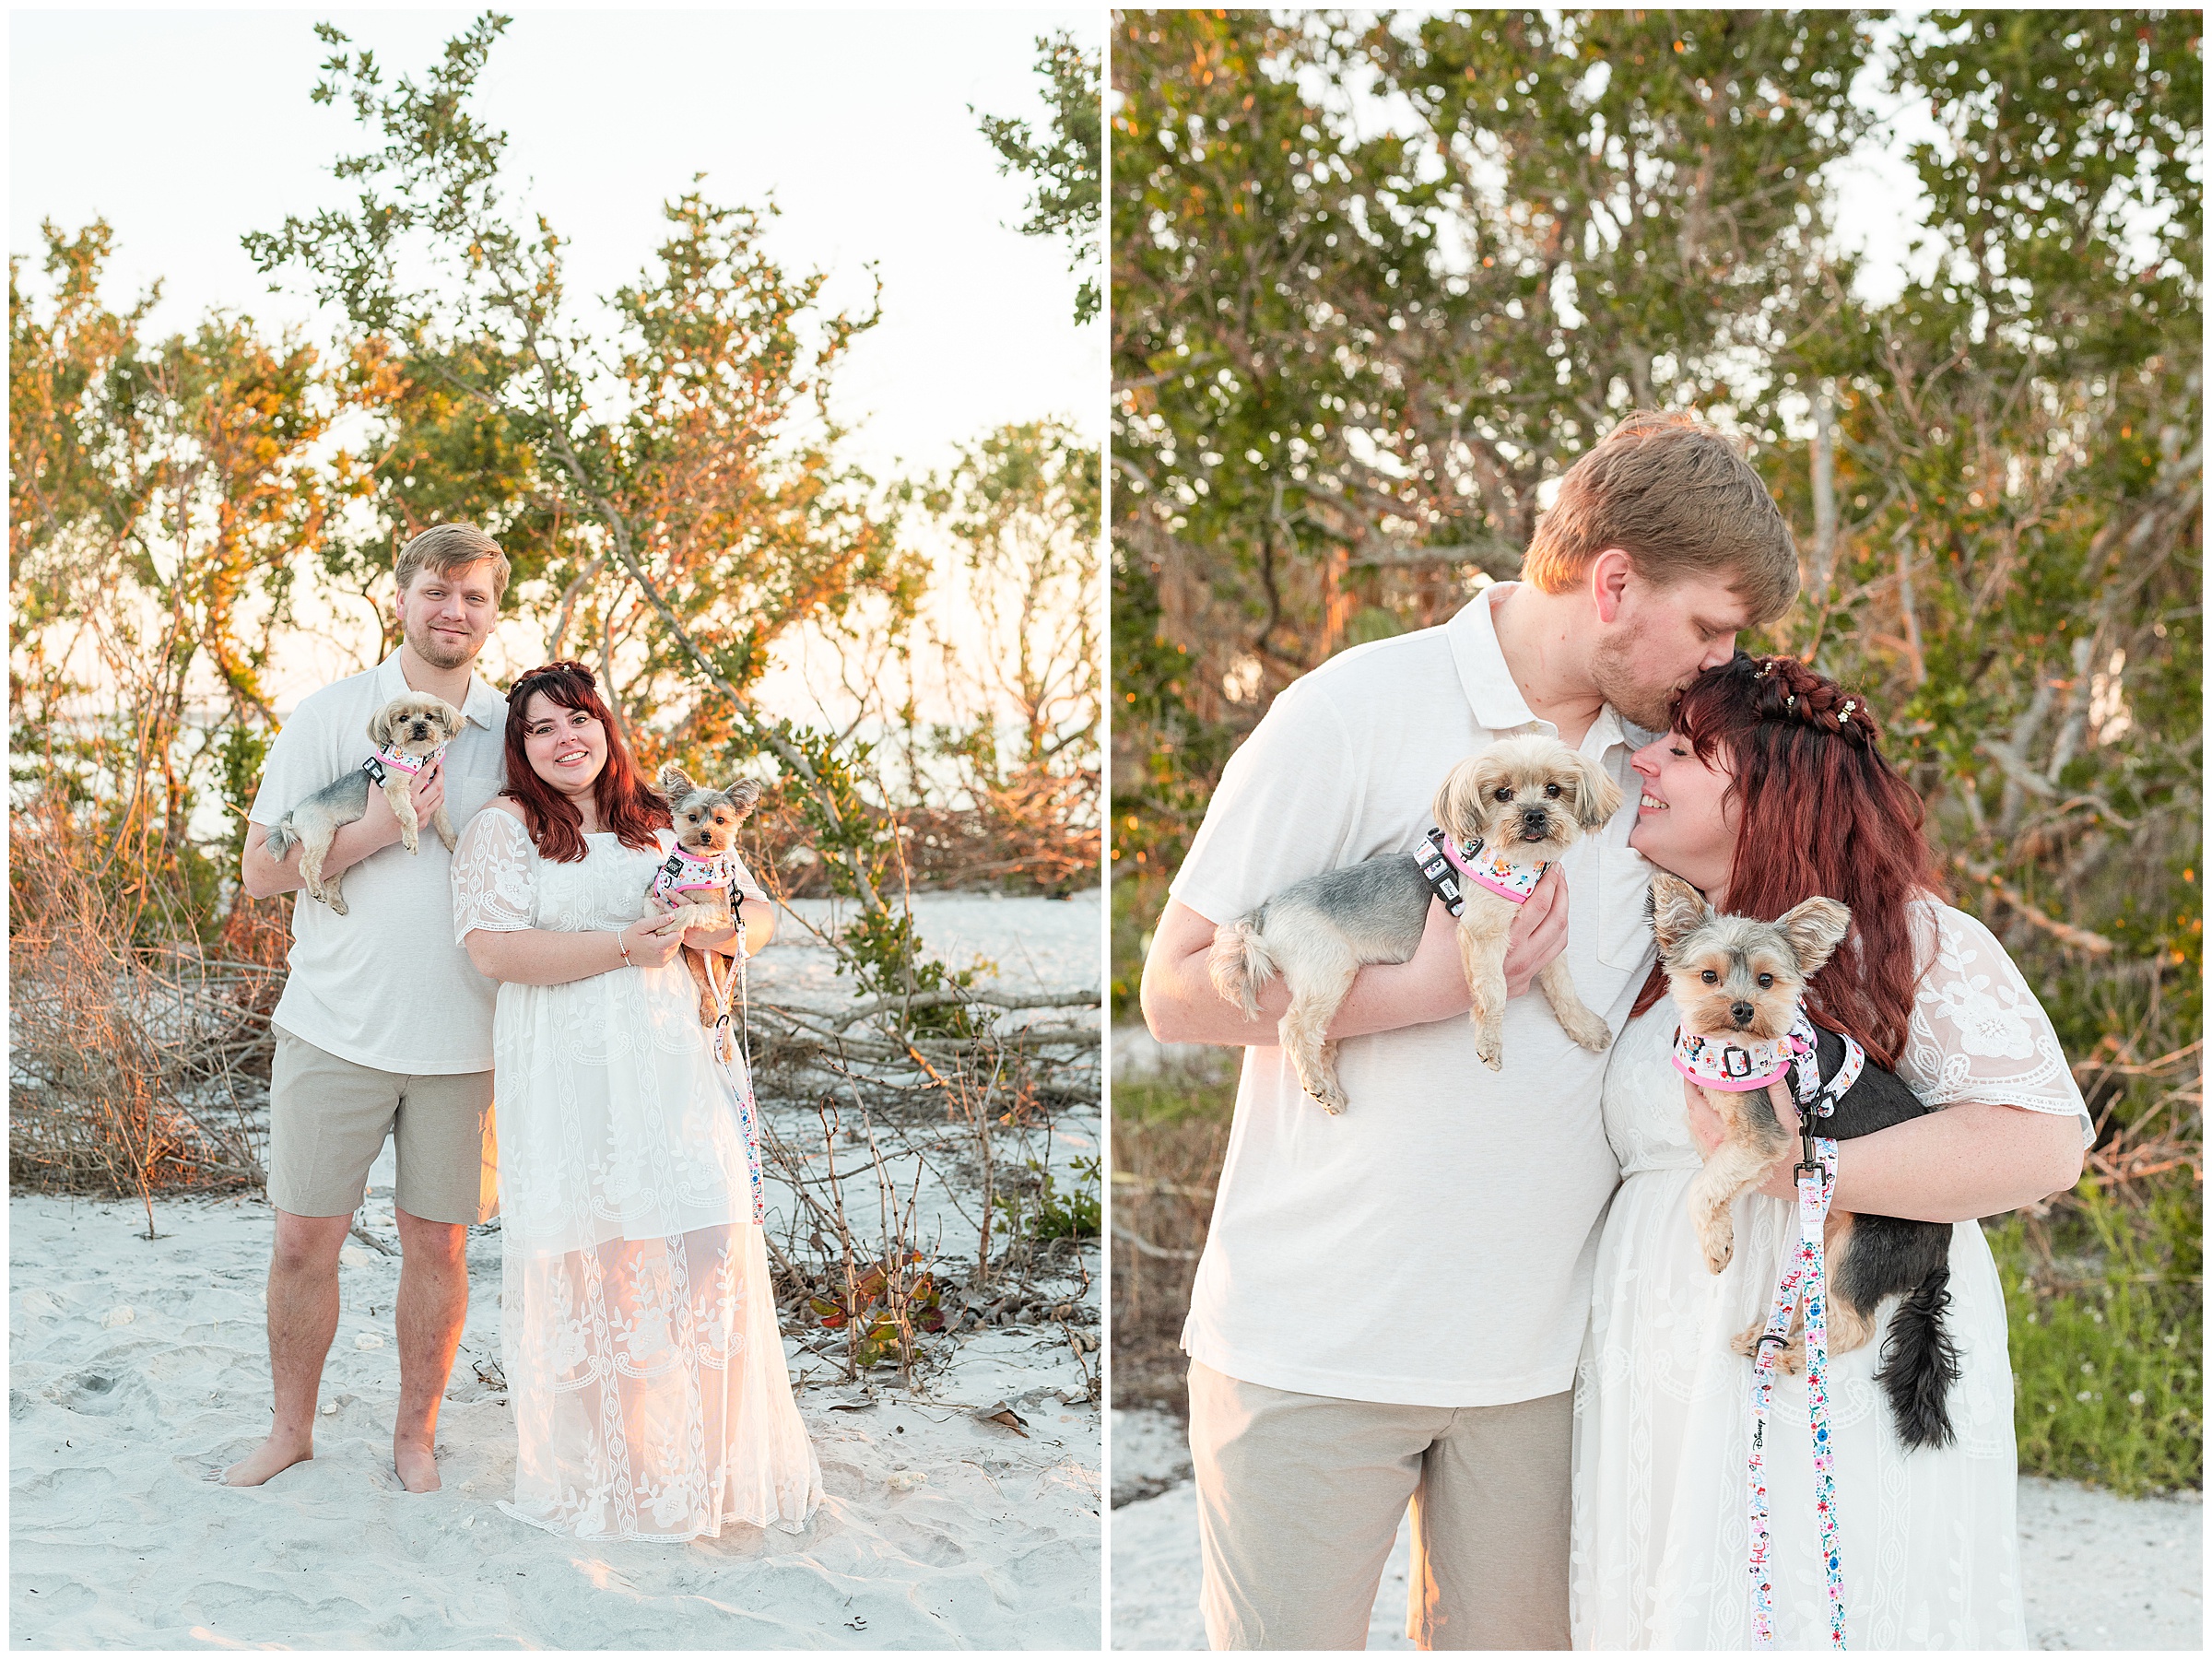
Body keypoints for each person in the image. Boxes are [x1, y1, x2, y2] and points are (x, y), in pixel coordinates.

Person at [1140, 413, 1798, 1648]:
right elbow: (1176, 987)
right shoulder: (1352, 709)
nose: (1717, 663)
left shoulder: (1658, 772)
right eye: (1708, 626)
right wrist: (1421, 990)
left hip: (1544, 1370)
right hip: (1313, 1346)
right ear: (1614, 584)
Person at [1571, 653, 2088, 1648]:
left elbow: (2042, 1145)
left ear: (1769, 785)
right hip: (1664, 1365)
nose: (1645, 766)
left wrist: (1802, 1167)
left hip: (1829, 1349)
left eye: (1682, 750)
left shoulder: (1909, 939)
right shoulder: (1663, 953)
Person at [449, 660, 821, 1539]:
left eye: (576, 720)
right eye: (541, 729)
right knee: (611, 1264)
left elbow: (758, 913)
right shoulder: (502, 830)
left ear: (605, 727)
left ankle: (717, 1466)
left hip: (676, 1064)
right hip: (572, 1068)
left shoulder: (663, 818)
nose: (563, 740)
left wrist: (718, 932)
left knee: (709, 1248)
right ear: (521, 747)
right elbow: (493, 952)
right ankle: (635, 1468)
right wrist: (624, 945)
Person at [228, 524, 512, 1492]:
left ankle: (413, 1441)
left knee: (439, 1244)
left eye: (474, 597)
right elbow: (264, 870)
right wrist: (383, 826)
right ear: (400, 597)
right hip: (333, 1028)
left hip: (466, 1040)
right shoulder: (330, 714)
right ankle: (291, 1431)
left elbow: (583, 848)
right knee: (305, 1240)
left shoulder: (517, 728)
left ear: (493, 612)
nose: (454, 611)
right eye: (438, 590)